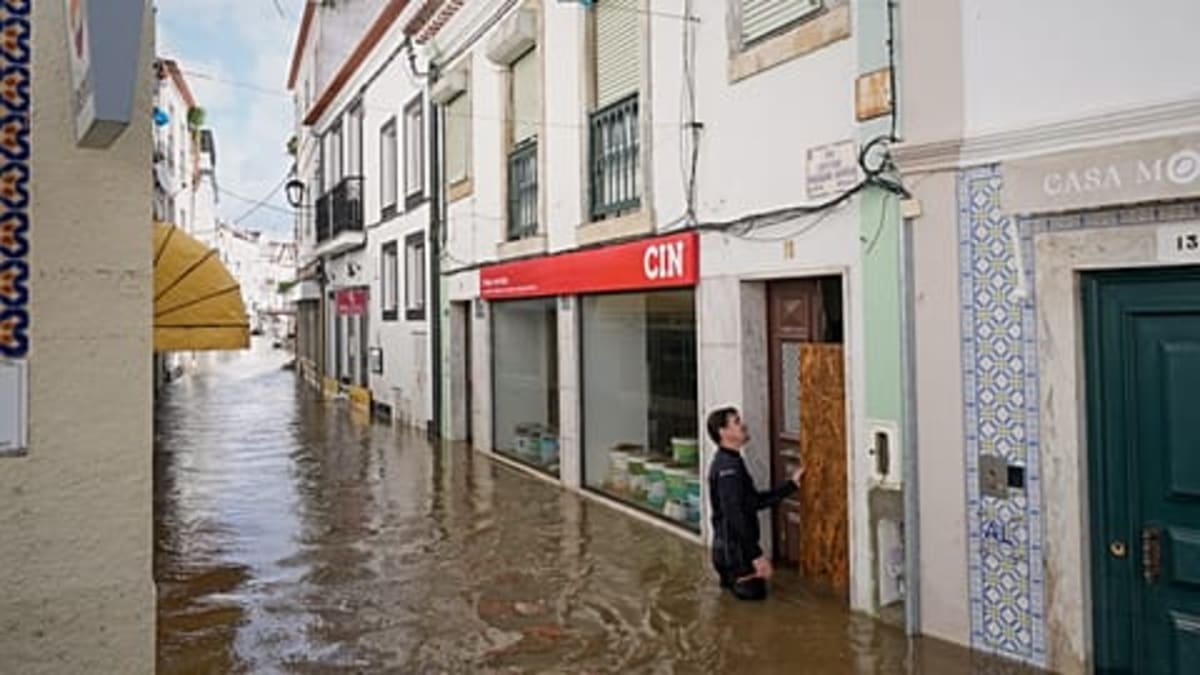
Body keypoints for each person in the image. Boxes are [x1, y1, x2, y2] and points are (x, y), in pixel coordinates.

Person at [707, 406, 803, 601]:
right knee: (755, 608)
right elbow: (735, 515)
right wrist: (756, 556)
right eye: (736, 422)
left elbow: (753, 502)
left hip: (728, 552)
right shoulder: (728, 468)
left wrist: (791, 485)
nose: (743, 425)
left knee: (730, 610)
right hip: (735, 555)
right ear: (723, 432)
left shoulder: (731, 462)